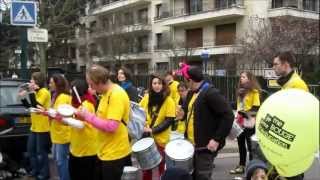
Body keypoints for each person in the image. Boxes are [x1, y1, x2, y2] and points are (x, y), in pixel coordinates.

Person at [176, 64, 234, 180]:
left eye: (185, 81)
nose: (185, 84)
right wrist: (182, 116)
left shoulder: (211, 93)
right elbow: (192, 113)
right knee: (193, 176)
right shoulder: (192, 93)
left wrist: (216, 139)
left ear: (190, 81)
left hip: (205, 147)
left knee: (203, 177)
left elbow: (228, 116)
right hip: (191, 145)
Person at [75, 65, 131, 180]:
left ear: (100, 82)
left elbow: (111, 126)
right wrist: (84, 117)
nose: (91, 89)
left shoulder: (116, 95)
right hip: (104, 152)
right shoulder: (105, 94)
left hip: (115, 155)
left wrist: (88, 116)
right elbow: (100, 120)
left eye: (91, 85)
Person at [139, 74, 176, 180]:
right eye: (154, 83)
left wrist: (152, 130)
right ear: (151, 85)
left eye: (159, 83)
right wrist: (143, 124)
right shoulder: (146, 98)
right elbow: (139, 112)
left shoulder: (169, 101)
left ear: (163, 85)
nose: (157, 86)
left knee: (162, 167)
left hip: (161, 140)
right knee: (146, 168)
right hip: (147, 138)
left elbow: (168, 121)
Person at [18, 72, 51, 180]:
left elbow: (37, 106)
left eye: (32, 80)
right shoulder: (36, 92)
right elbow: (30, 107)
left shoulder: (44, 92)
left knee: (41, 152)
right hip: (34, 127)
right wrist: (23, 98)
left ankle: (44, 173)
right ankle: (35, 171)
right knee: (31, 150)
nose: (30, 82)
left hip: (43, 127)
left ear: (37, 81)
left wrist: (31, 92)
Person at [230, 71, 261, 174]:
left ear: (249, 79)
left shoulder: (254, 91)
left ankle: (252, 168)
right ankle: (241, 166)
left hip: (249, 121)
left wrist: (244, 113)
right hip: (239, 120)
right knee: (240, 144)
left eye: (243, 77)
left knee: (250, 145)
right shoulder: (240, 91)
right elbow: (238, 105)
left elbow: (256, 107)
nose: (241, 78)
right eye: (241, 76)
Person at [68, 79, 98, 180]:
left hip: (87, 150)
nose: (70, 92)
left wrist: (64, 118)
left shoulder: (86, 105)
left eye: (71, 90)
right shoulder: (75, 104)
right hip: (77, 148)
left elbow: (80, 125)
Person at [48, 74, 72, 180]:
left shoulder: (62, 97)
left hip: (63, 134)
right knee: (58, 159)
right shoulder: (56, 95)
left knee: (61, 160)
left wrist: (46, 112)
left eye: (51, 83)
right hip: (57, 133)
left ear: (58, 84)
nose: (49, 85)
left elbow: (60, 113)